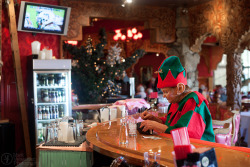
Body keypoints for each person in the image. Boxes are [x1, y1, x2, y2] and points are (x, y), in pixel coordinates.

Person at [140, 56, 215, 142]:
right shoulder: (175, 101)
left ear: (180, 89)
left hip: (201, 148)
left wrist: (155, 126)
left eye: (166, 92)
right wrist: (154, 119)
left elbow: (186, 133)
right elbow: (170, 124)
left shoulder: (194, 100)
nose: (164, 96)